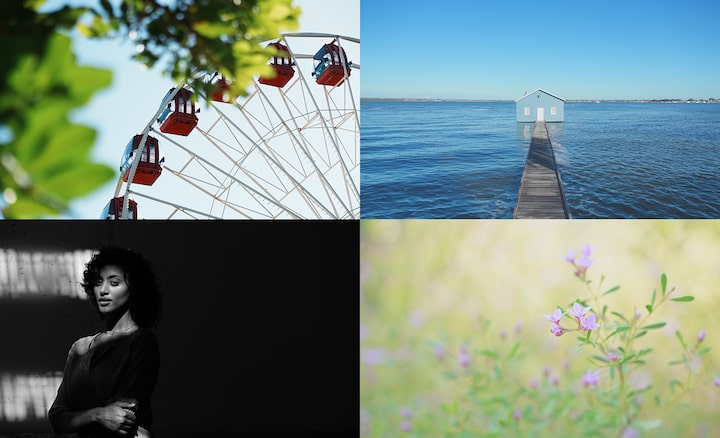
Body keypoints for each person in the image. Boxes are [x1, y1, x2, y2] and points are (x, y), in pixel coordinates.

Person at [49, 246, 162, 437]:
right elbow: (57, 419)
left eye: (114, 283)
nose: (103, 290)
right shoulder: (79, 347)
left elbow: (123, 416)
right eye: (98, 282)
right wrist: (98, 414)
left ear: (133, 289)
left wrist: (78, 416)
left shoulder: (141, 340)